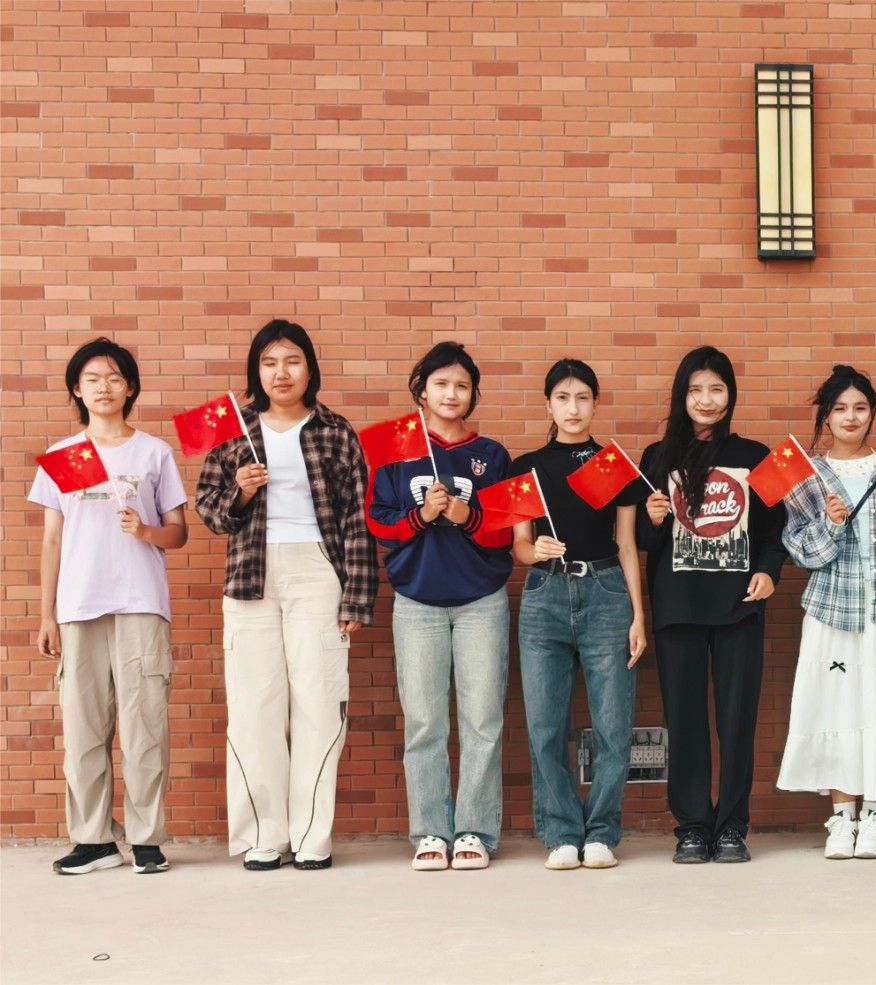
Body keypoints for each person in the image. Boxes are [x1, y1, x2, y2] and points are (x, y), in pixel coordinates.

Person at [196, 319, 377, 871]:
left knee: (319, 703)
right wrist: (240, 493)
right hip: (250, 576)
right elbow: (208, 509)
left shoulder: (335, 429)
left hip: (317, 572)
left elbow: (357, 518)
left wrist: (356, 597)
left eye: (292, 361)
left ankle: (312, 836)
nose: (281, 372)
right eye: (269, 362)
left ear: (309, 368)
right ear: (256, 370)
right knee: (255, 707)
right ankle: (264, 836)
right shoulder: (233, 429)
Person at [31, 338, 188, 875]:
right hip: (79, 605)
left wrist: (145, 531)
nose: (104, 386)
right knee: (83, 730)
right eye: (93, 378)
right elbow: (52, 539)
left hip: (140, 603)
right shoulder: (66, 455)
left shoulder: (152, 452)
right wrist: (47, 614)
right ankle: (94, 840)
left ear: (130, 388)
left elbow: (178, 533)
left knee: (145, 728)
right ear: (77, 389)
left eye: (115, 377)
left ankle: (145, 839)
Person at [776, 365, 876, 860]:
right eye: (840, 409)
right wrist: (829, 524)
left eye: (860, 408)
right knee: (837, 709)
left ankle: (873, 817)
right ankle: (841, 818)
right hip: (832, 614)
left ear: (872, 414)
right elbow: (801, 551)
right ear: (826, 417)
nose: (850, 417)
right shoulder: (807, 476)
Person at [638, 346, 786, 864]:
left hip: (739, 604)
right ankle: (692, 826)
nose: (706, 399)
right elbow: (641, 541)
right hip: (677, 606)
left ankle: (732, 827)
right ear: (682, 396)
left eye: (716, 389)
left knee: (737, 719)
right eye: (696, 390)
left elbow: (775, 531)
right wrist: (652, 519)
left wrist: (768, 571)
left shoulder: (755, 455)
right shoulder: (657, 457)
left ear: (730, 395)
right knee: (684, 720)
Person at [367, 342, 512, 871]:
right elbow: (377, 522)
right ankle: (430, 830)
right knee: (425, 722)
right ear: (421, 390)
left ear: (473, 394)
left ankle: (475, 830)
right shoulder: (394, 450)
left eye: (462, 386)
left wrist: (466, 515)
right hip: (417, 602)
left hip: (481, 602)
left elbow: (504, 534)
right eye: (441, 384)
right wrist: (421, 515)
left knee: (482, 720)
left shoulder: (491, 455)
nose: (452, 394)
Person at [511, 359, 648, 871]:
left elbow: (628, 545)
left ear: (595, 404)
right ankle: (561, 832)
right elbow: (519, 548)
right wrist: (536, 550)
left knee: (613, 723)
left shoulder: (614, 465)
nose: (573, 408)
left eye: (583, 397)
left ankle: (602, 832)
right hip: (544, 593)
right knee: (546, 725)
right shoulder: (525, 467)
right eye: (563, 398)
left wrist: (638, 615)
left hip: (607, 591)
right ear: (548, 405)